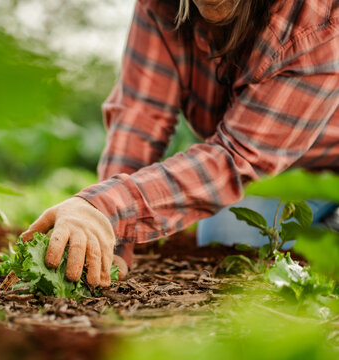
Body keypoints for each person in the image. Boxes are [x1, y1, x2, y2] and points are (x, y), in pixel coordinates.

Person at [21, 0, 339, 287]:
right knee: (225, 237)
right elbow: (140, 117)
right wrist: (111, 235)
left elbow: (236, 157)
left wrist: (105, 205)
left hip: (329, 167)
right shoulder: (160, 6)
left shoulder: (317, 24)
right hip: (285, 173)